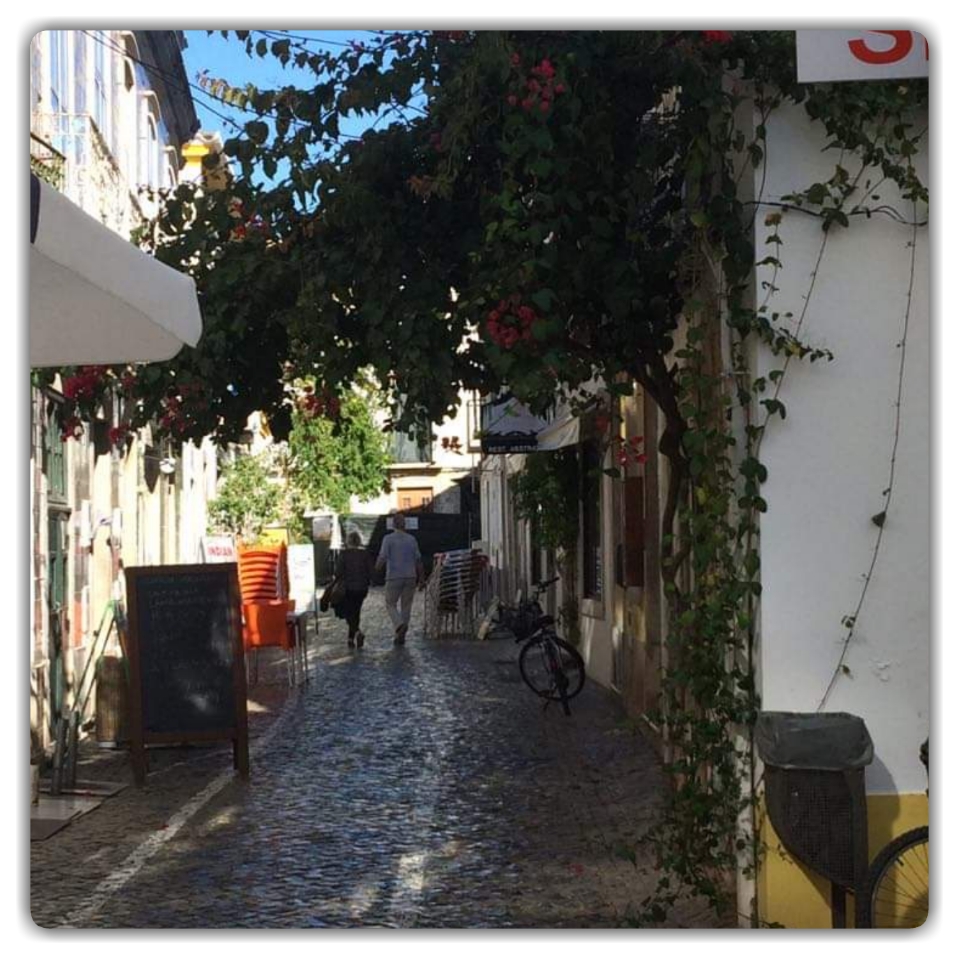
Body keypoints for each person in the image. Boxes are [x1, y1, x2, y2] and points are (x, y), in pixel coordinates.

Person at [375, 512, 423, 645]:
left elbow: (383, 557)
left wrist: (376, 569)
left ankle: (399, 624)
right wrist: (422, 578)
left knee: (390, 603)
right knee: (406, 606)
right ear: (404, 524)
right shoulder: (412, 539)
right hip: (411, 576)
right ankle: (401, 636)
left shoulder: (388, 539)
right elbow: (418, 560)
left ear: (393, 525)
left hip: (394, 576)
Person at [334, 531, 375, 648]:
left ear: (348, 541)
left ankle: (357, 632)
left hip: (347, 588)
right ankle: (350, 639)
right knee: (356, 612)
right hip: (362, 588)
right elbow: (371, 571)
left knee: (348, 613)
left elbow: (337, 572)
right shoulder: (365, 554)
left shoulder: (344, 554)